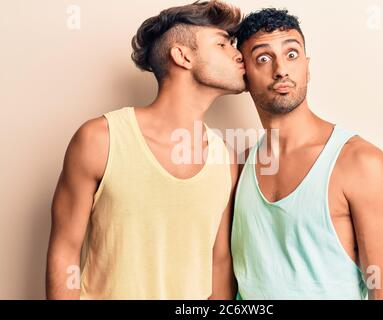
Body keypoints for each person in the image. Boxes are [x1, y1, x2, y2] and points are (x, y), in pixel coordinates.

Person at [46, 0, 245, 299]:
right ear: (182, 55)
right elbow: (65, 251)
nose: (238, 53)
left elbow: (218, 263)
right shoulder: (99, 139)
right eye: (222, 44)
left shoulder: (226, 159)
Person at [231, 8, 383, 299]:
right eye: (263, 58)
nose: (281, 69)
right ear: (244, 74)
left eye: (292, 54)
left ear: (307, 67)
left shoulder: (360, 163)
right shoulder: (238, 165)